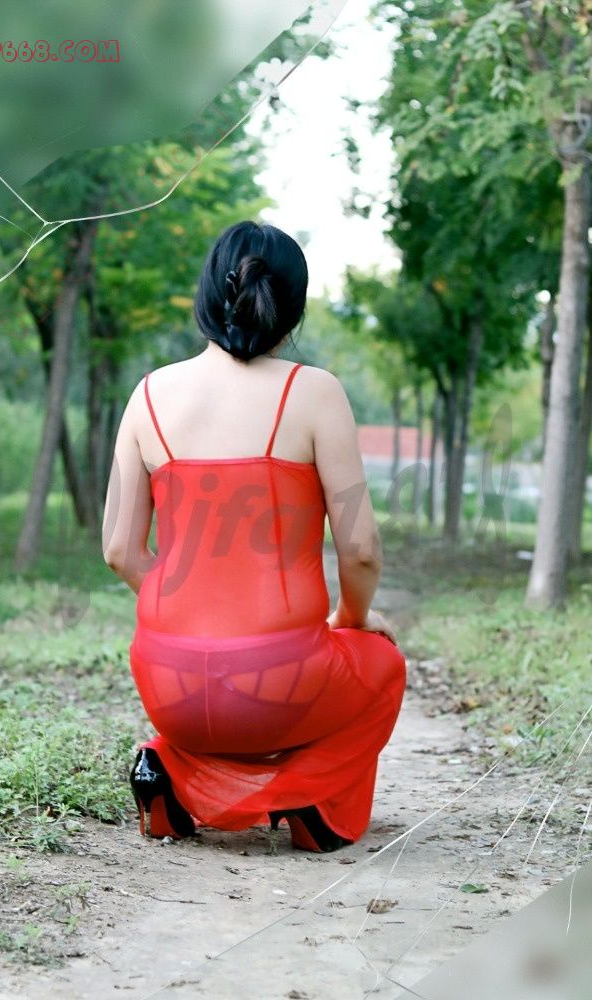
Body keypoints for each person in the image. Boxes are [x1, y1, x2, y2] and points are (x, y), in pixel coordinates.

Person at [102, 220, 406, 853]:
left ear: (208, 294)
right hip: (282, 681)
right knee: (382, 664)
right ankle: (312, 799)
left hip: (168, 683)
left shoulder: (148, 396)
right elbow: (361, 549)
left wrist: (192, 611)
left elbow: (119, 551)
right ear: (290, 308)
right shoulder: (315, 393)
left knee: (219, 708)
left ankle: (168, 770)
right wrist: (351, 621)